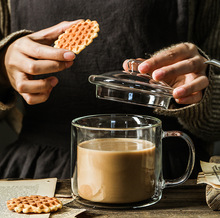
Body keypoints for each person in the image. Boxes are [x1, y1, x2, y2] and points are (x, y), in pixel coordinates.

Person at [0, 0, 220, 179]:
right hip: (37, 172)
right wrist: (3, 68)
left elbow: (215, 125)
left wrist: (197, 94)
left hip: (160, 170)